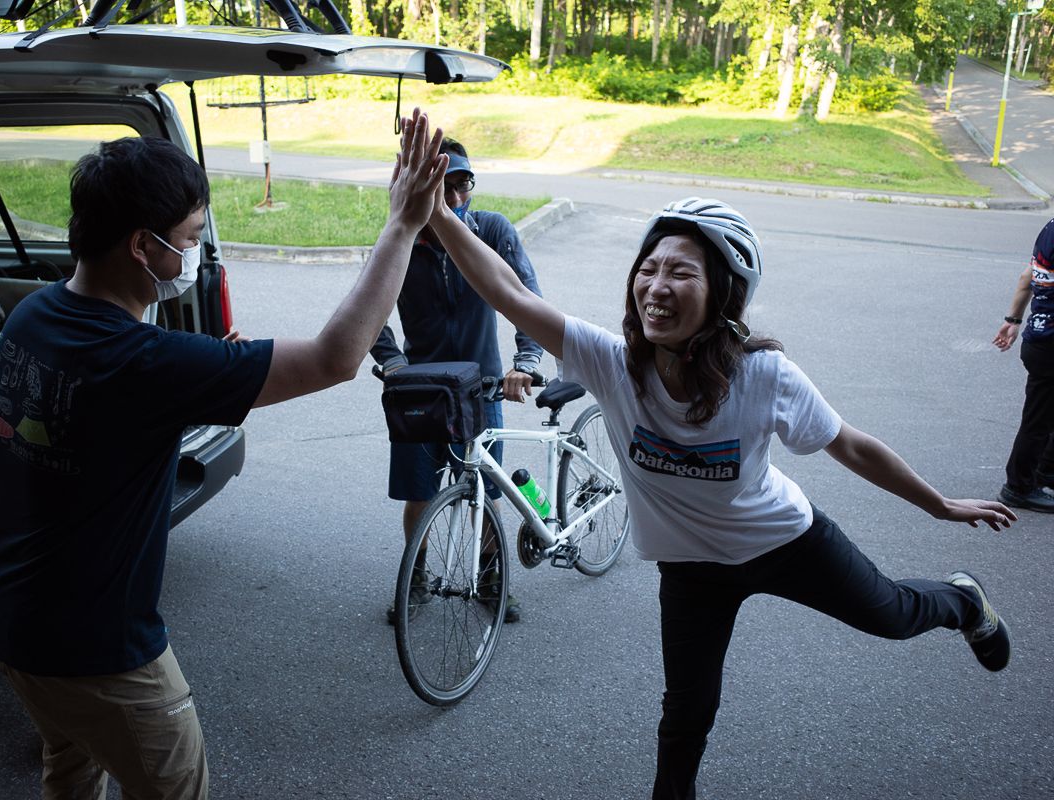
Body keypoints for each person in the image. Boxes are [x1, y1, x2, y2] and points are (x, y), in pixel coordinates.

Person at [420, 171, 1015, 799]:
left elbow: (851, 444)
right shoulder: (611, 361)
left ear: (723, 294)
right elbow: (509, 292)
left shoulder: (763, 375)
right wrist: (435, 210)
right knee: (686, 714)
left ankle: (964, 601)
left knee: (892, 615)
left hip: (784, 541)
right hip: (690, 568)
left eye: (682, 272)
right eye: (648, 268)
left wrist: (939, 504)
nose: (656, 286)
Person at [0, 112, 447, 800]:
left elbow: (115, 390)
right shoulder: (143, 365)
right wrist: (402, 224)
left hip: (10, 619)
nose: (194, 253)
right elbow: (336, 358)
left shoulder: (36, 317)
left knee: (71, 757)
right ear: (142, 245)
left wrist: (197, 370)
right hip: (98, 650)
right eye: (191, 238)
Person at [371, 138, 544, 624]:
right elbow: (367, 314)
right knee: (419, 493)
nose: (451, 197)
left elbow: (525, 294)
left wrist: (525, 360)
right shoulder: (398, 240)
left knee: (485, 492)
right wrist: (392, 363)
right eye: (441, 185)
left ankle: (491, 578)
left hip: (481, 387)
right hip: (420, 389)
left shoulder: (491, 230)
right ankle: (417, 576)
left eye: (461, 184)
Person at [992, 216, 1054, 512]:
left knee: (1044, 415)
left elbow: (1027, 276)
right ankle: (1018, 486)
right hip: (1050, 345)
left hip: (1039, 339)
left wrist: (1012, 320)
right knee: (1037, 421)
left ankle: (1045, 472)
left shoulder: (1050, 229)